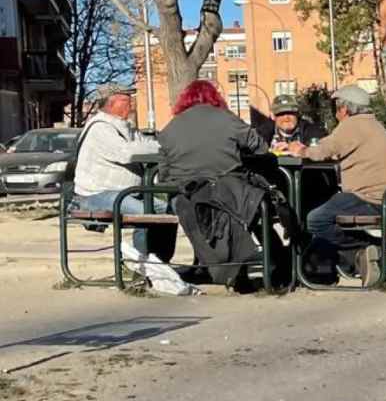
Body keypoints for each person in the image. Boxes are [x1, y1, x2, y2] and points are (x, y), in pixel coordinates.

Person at [158, 80, 284, 291]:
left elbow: (163, 173)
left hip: (186, 196)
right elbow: (259, 147)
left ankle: (209, 266)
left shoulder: (170, 127)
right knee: (257, 204)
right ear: (214, 97)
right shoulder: (226, 119)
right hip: (228, 189)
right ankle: (277, 264)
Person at [287, 86, 386, 287]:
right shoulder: (374, 125)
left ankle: (367, 247)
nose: (335, 113)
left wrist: (299, 149)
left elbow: (323, 151)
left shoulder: (352, 126)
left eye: (335, 108)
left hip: (365, 197)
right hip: (385, 197)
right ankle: (362, 254)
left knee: (315, 219)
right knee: (326, 208)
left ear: (343, 109)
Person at [72, 84, 175, 262]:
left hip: (127, 192)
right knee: (145, 214)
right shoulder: (100, 128)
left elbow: (150, 145)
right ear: (112, 103)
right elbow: (127, 153)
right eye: (127, 100)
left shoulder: (126, 127)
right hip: (96, 194)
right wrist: (159, 147)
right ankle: (142, 266)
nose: (131, 105)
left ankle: (160, 262)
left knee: (168, 212)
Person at [256, 94, 327, 150]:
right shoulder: (263, 133)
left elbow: (320, 149)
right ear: (273, 116)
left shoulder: (311, 130)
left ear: (298, 114)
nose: (286, 117)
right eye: (281, 114)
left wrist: (300, 150)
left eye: (290, 112)